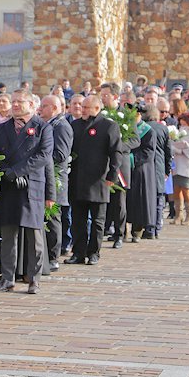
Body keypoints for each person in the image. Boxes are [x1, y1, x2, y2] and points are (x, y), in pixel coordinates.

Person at [0, 90, 54, 293]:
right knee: (8, 235)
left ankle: (34, 278)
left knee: (34, 236)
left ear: (31, 104)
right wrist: (7, 173)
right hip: (8, 186)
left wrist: (18, 171)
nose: (16, 105)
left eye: (20, 101)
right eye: (14, 101)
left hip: (31, 186)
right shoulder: (2, 128)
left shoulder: (42, 127)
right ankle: (7, 278)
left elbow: (44, 156)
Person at [65, 95, 121, 266]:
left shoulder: (108, 126)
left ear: (97, 109)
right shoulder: (74, 125)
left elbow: (115, 152)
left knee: (97, 220)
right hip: (77, 179)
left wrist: (112, 175)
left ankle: (94, 252)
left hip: (98, 180)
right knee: (78, 219)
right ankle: (78, 252)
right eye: (82, 106)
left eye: (87, 107)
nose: (83, 110)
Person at [99, 83, 140, 249]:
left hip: (119, 165)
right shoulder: (100, 115)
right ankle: (101, 231)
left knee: (119, 202)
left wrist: (117, 146)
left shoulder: (126, 116)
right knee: (101, 200)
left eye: (106, 95)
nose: (103, 98)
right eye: (101, 95)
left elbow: (135, 140)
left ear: (115, 97)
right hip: (101, 164)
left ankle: (119, 234)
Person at [39, 95, 73, 272]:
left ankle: (53, 256)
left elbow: (61, 154)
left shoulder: (61, 126)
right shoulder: (49, 124)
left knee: (53, 219)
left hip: (55, 179)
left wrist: (39, 158)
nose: (40, 109)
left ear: (54, 108)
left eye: (43, 106)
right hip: (45, 177)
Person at [126, 105, 156, 242]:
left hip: (141, 170)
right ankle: (122, 229)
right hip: (126, 170)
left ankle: (137, 231)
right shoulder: (125, 128)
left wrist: (131, 158)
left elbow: (149, 152)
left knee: (139, 201)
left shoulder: (148, 131)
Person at [143, 104, 171, 239]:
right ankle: (156, 227)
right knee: (159, 198)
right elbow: (168, 151)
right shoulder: (163, 128)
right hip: (159, 165)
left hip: (146, 166)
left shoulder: (143, 128)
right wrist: (168, 169)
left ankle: (148, 227)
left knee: (147, 197)